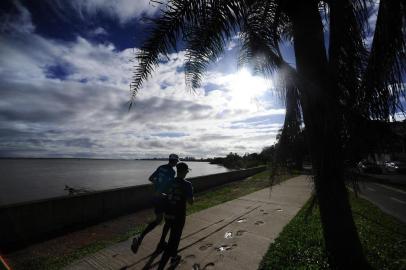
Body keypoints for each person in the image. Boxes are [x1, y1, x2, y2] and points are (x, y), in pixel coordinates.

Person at [131, 153, 179, 254]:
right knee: (168, 220)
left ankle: (140, 237)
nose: (175, 163)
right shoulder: (172, 171)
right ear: (174, 161)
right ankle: (161, 243)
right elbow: (167, 184)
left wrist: (157, 187)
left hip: (156, 198)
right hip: (163, 198)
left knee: (158, 220)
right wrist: (161, 191)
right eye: (176, 161)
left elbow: (151, 178)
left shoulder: (161, 167)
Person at [157, 162, 194, 270]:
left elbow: (161, 193)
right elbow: (191, 202)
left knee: (173, 238)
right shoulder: (187, 184)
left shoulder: (169, 181)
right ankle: (166, 262)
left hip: (168, 214)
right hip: (179, 215)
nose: (187, 173)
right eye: (187, 171)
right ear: (185, 171)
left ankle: (174, 256)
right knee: (174, 239)